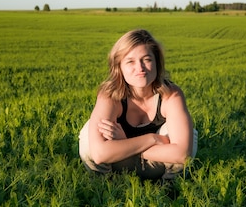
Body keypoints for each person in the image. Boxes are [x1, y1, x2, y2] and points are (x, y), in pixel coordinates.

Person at [79, 29, 197, 180]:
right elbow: (99, 154)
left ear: (157, 63)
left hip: (157, 164)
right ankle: (106, 185)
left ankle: (169, 187)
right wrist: (152, 139)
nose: (140, 68)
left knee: (188, 135)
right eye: (130, 61)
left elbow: (181, 154)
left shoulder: (171, 94)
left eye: (146, 59)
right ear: (119, 67)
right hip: (120, 163)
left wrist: (124, 143)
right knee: (90, 132)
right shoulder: (110, 95)